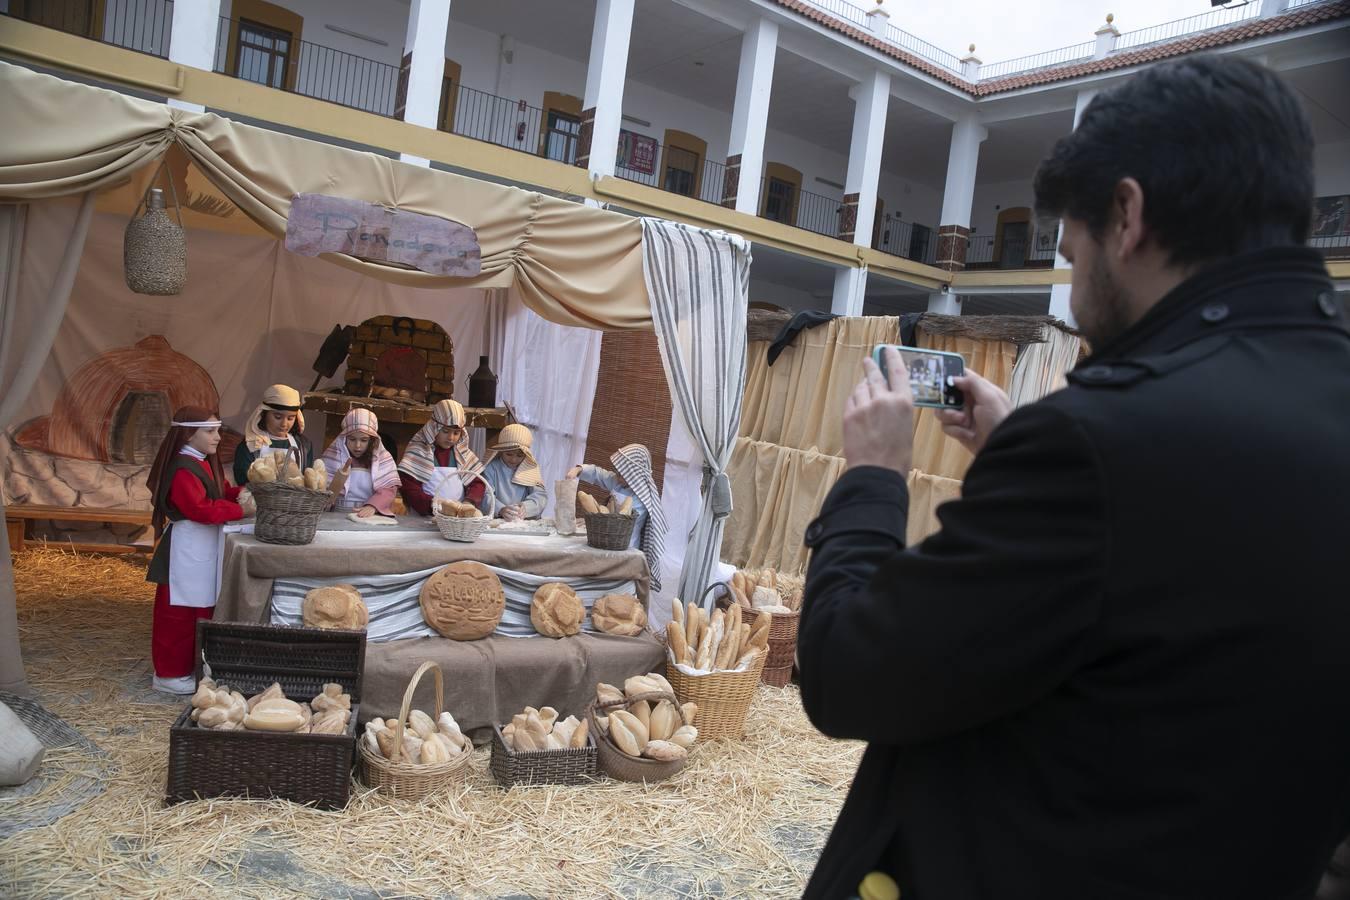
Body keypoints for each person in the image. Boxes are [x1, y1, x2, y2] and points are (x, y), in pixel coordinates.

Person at [796, 56, 1350, 900]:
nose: (1073, 283)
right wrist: (1033, 452)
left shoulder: (1101, 446)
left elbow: (847, 675)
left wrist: (873, 479)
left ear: (1126, 216)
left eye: (1070, 245)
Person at [145, 407, 246, 694]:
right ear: (189, 434)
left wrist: (243, 493)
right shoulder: (181, 468)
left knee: (199, 609)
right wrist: (239, 509)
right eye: (210, 431)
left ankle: (190, 666)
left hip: (199, 547)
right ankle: (169, 673)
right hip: (184, 549)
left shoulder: (201, 462)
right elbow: (199, 508)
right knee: (178, 613)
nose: (218, 437)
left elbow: (218, 491)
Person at [567, 444, 668, 590]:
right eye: (617, 473)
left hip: (627, 551)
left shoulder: (643, 497)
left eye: (621, 475)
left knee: (616, 586)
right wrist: (579, 469)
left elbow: (621, 520)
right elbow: (599, 474)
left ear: (633, 475)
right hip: (609, 544)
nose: (617, 478)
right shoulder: (620, 483)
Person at [397, 399, 485, 516]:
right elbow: (409, 488)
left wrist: (468, 503)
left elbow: (478, 483)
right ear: (434, 428)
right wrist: (435, 505)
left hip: (456, 520)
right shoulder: (419, 451)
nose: (451, 438)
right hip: (424, 518)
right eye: (445, 431)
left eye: (456, 433)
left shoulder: (463, 455)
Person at [231, 384, 314, 487]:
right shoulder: (252, 444)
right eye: (278, 417)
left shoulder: (303, 446)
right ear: (264, 414)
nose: (284, 424)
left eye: (290, 418)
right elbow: (242, 480)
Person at [321, 408, 399, 518]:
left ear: (372, 440)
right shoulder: (333, 457)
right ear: (344, 439)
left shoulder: (382, 458)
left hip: (368, 516)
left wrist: (372, 506)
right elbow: (322, 488)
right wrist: (328, 498)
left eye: (363, 440)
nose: (357, 446)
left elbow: (388, 490)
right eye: (352, 439)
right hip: (337, 515)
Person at [480, 423, 546, 521]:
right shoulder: (491, 467)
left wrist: (526, 508)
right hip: (497, 519)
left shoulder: (529, 468)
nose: (513, 460)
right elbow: (485, 495)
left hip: (524, 520)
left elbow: (540, 495)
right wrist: (501, 509)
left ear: (526, 454)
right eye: (509, 454)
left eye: (519, 456)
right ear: (501, 451)